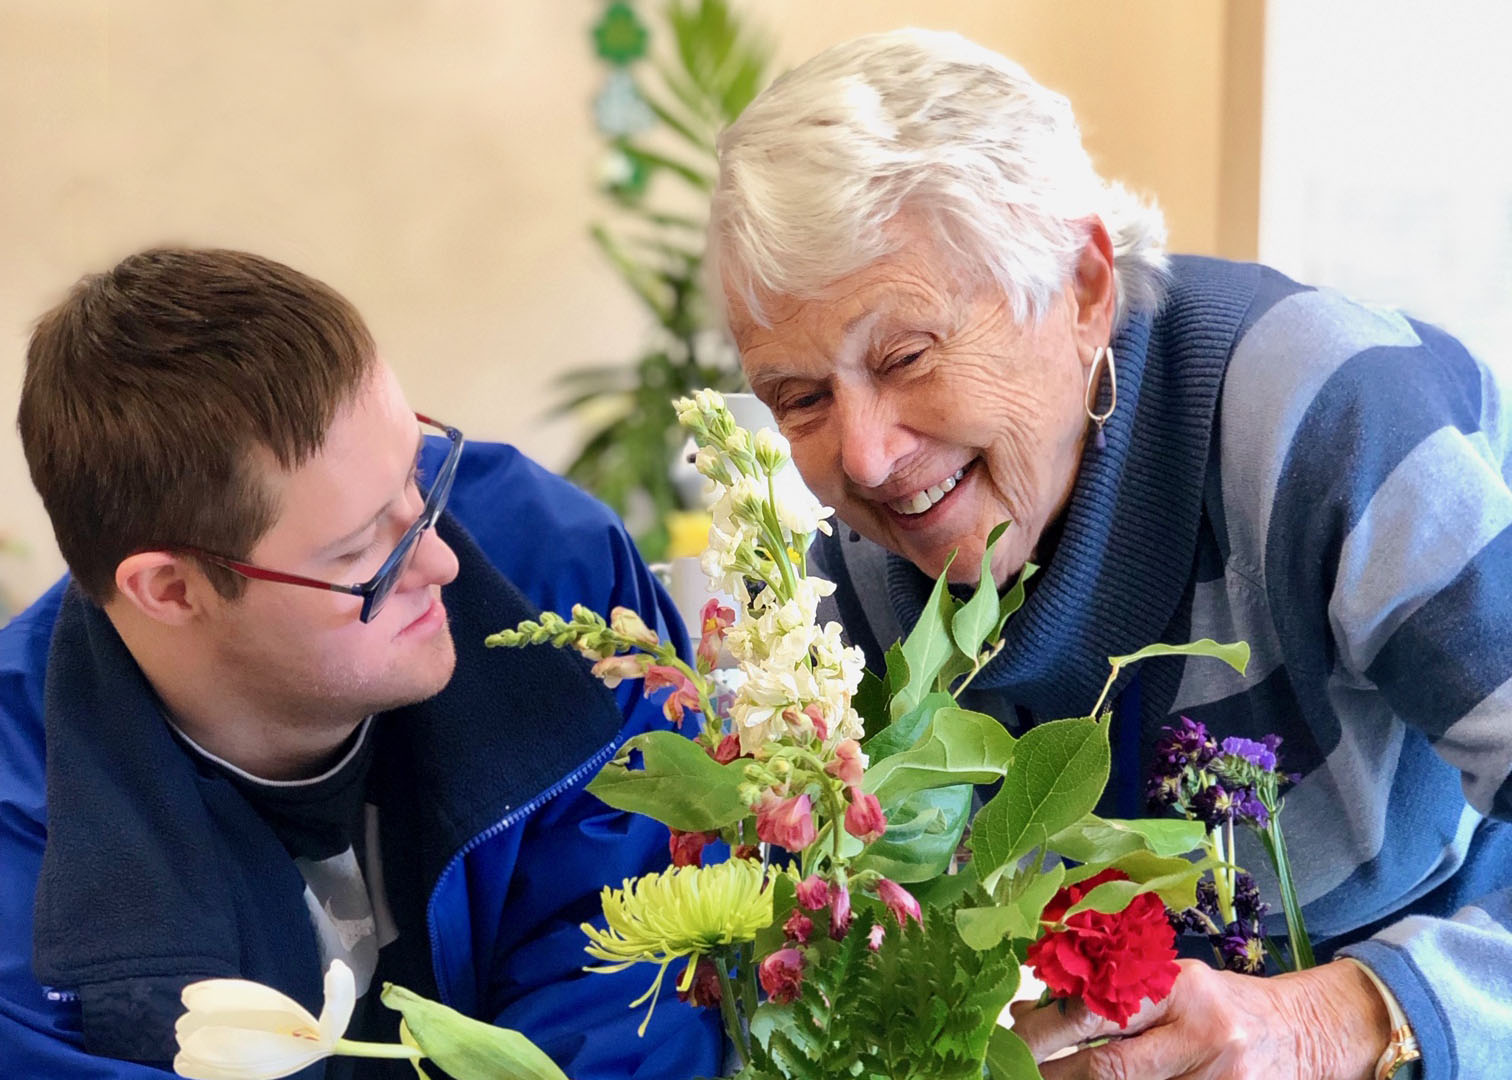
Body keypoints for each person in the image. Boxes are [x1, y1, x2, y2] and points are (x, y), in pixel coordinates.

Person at [707, 28, 1512, 1080]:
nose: (865, 455)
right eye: (801, 398)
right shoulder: (853, 573)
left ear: (1083, 287)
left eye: (905, 356)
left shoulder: (1327, 414)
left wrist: (1354, 1020)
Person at [0, 248, 721, 1078]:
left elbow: (643, 973)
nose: (441, 563)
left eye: (420, 476)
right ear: (169, 589)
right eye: (359, 552)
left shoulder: (558, 586)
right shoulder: (24, 839)